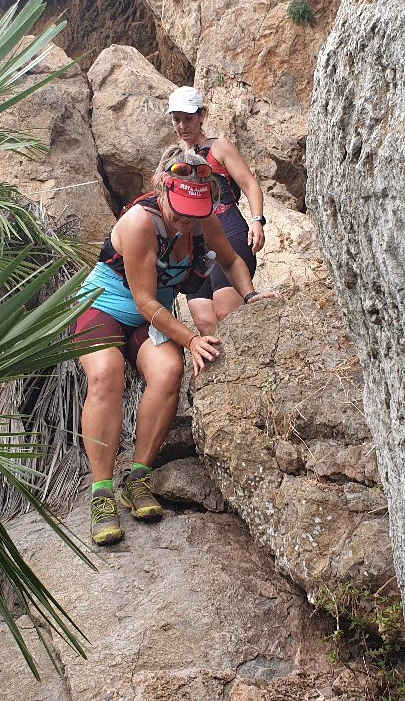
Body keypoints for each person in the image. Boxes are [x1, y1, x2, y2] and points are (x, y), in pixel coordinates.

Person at [72, 146, 282, 545]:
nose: (187, 218)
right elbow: (144, 301)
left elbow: (232, 260)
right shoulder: (139, 222)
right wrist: (191, 338)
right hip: (104, 307)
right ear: (162, 187)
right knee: (105, 376)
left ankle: (138, 477)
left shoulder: (201, 221)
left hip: (152, 316)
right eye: (181, 207)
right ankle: (101, 493)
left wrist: (251, 295)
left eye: (195, 210)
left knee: (169, 372)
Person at [166, 86, 268, 335]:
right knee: (205, 323)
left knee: (226, 313)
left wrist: (257, 221)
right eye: (176, 120)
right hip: (196, 243)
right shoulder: (175, 160)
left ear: (202, 115)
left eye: (188, 118)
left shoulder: (219, 147)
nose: (182, 126)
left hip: (230, 230)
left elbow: (250, 183)